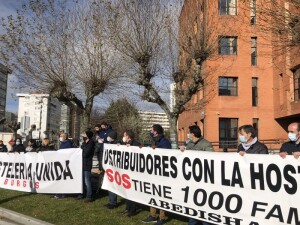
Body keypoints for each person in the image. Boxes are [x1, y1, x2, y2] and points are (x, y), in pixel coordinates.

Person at [179, 125, 214, 225]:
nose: (188, 134)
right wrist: (183, 150)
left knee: (204, 202)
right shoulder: (189, 144)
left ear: (193, 134)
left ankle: (205, 222)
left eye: (189, 132)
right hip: (191, 179)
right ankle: (193, 221)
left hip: (203, 179)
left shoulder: (206, 144)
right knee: (192, 201)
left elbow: (212, 160)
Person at [142, 124, 171, 225]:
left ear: (156, 132)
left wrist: (157, 148)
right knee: (152, 192)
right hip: (154, 171)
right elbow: (151, 136)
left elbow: (167, 154)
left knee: (161, 194)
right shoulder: (155, 139)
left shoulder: (164, 142)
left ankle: (162, 217)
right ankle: (153, 215)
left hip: (162, 172)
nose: (150, 131)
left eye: (152, 130)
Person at [120, 130, 141, 217]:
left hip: (133, 171)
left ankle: (132, 210)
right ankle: (128, 207)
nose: (123, 137)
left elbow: (139, 151)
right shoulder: (125, 144)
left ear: (128, 136)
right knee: (127, 190)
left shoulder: (135, 143)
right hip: (126, 170)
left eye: (124, 135)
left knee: (132, 191)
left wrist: (131, 147)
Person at [77, 130, 95, 203]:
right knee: (81, 180)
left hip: (87, 164)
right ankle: (81, 194)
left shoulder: (91, 143)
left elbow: (85, 153)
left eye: (84, 134)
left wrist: (81, 151)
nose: (83, 136)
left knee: (87, 181)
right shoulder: (84, 143)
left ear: (88, 136)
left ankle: (89, 196)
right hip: (81, 163)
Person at [105, 131, 120, 209]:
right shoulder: (110, 144)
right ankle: (110, 201)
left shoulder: (117, 144)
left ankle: (113, 202)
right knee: (109, 185)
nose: (108, 137)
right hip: (110, 168)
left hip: (115, 169)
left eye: (109, 136)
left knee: (113, 185)